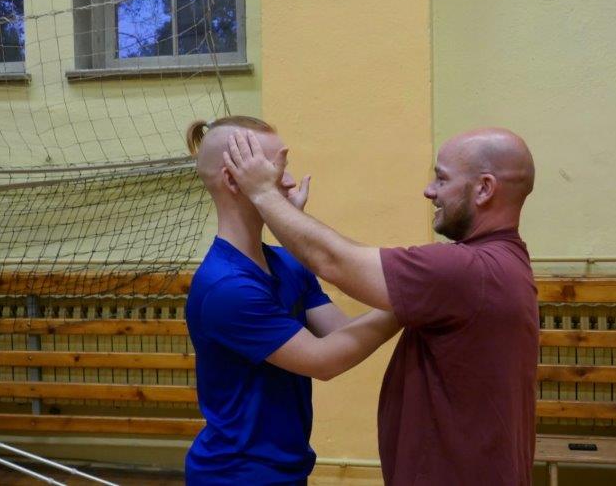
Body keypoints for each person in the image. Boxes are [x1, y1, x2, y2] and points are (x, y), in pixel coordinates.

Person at [223, 127, 538, 486]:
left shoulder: (470, 270)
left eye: (441, 179)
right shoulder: (502, 262)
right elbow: (345, 288)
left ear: (484, 188)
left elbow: (333, 261)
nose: (429, 191)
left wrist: (263, 193)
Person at [183, 116, 400, 486]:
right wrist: (413, 298)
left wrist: (407, 298)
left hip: (286, 470)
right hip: (237, 476)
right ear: (234, 180)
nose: (288, 181)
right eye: (273, 169)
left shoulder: (286, 262)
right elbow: (323, 360)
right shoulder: (227, 287)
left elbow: (341, 331)